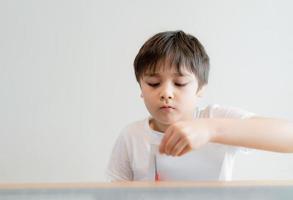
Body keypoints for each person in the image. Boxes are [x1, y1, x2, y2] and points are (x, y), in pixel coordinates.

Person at [106, 30, 293, 181]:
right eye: (153, 83)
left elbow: (288, 136)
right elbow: (113, 195)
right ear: (141, 87)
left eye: (180, 83)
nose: (166, 93)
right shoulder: (131, 136)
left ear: (200, 88)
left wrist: (211, 130)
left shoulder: (214, 118)